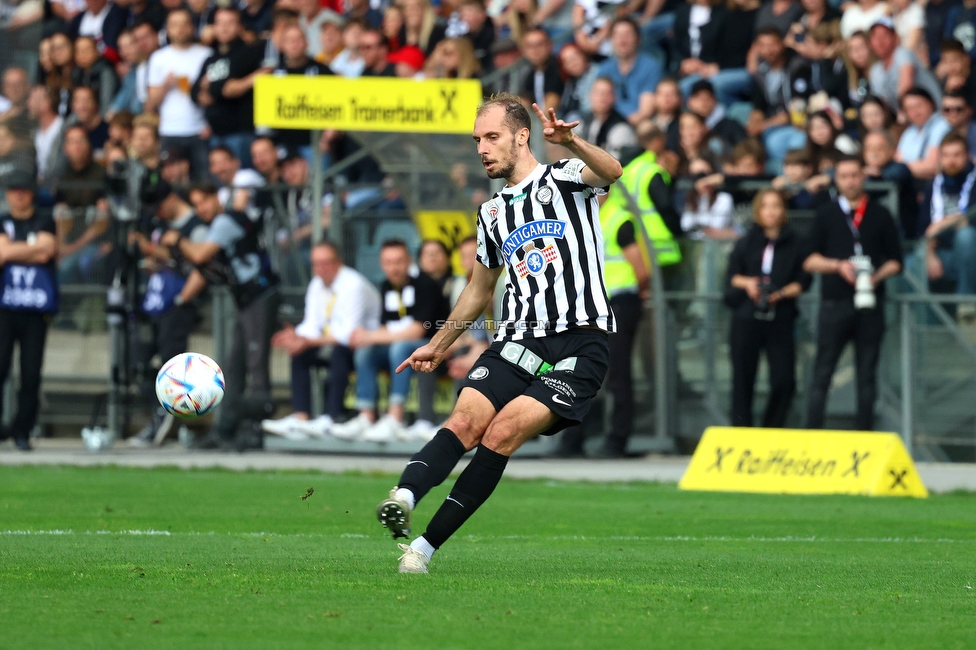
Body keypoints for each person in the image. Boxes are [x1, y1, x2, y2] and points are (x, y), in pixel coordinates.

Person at [375, 96, 621, 573]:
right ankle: (403, 496)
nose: (482, 149)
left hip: (581, 343)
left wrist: (570, 141)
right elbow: (478, 290)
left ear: (521, 135)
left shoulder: (565, 177)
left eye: (491, 138)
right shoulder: (492, 213)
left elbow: (612, 171)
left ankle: (421, 551)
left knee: (503, 432)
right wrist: (438, 343)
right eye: (477, 141)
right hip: (519, 339)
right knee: (465, 420)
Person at [558, 121, 680, 458]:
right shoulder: (583, 219)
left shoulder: (617, 219)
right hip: (591, 307)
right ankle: (576, 441)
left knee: (616, 375)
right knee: (583, 374)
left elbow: (640, 268)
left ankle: (615, 440)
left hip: (618, 304)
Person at [168, 182, 280, 450]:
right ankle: (226, 429)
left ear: (216, 199)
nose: (201, 209)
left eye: (204, 202)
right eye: (196, 206)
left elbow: (199, 255)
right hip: (245, 299)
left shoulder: (225, 221)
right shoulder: (218, 225)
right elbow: (204, 268)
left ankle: (256, 430)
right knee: (234, 365)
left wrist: (177, 240)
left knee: (256, 364)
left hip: (259, 296)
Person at [804, 154, 903, 431]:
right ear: (836, 179)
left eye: (854, 175)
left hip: (870, 304)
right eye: (844, 176)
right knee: (822, 372)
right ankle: (812, 435)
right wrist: (838, 266)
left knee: (867, 375)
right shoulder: (826, 214)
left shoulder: (881, 214)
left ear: (864, 177)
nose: (850, 181)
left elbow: (896, 260)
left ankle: (864, 436)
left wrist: (876, 276)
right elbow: (809, 259)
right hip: (834, 303)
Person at [328, 239, 447, 443]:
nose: (394, 268)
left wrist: (372, 336)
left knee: (399, 348)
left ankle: (395, 417)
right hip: (399, 346)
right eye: (388, 262)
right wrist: (366, 337)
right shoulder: (386, 286)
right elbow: (387, 326)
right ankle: (366, 416)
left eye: (399, 261)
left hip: (431, 346)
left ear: (409, 260)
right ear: (382, 264)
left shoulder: (425, 284)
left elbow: (417, 331)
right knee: (365, 351)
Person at [262, 241, 381, 440]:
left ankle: (331, 418)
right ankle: (301, 417)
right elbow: (311, 324)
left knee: (338, 352)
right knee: (300, 353)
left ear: (339, 262)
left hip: (365, 346)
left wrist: (307, 341)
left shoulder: (354, 285)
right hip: (331, 342)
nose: (321, 269)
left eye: (326, 263)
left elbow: (348, 333)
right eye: (316, 264)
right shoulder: (316, 284)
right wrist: (296, 337)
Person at [127, 180, 210, 447]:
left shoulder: (196, 226)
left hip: (178, 303)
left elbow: (198, 260)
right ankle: (163, 412)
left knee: (171, 365)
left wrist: (154, 249)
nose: (157, 212)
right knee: (137, 362)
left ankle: (165, 418)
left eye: (160, 205)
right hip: (154, 300)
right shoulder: (160, 225)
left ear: (172, 198)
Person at [725, 189, 810, 427]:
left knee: (784, 379)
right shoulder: (746, 242)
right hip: (746, 315)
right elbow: (732, 276)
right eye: (765, 206)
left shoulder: (796, 242)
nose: (771, 212)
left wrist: (779, 294)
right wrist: (750, 284)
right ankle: (741, 430)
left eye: (776, 206)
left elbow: (803, 281)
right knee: (743, 377)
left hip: (780, 315)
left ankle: (772, 428)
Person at [0, 171, 58, 452]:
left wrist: (14, 250)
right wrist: (31, 249)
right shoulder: (2, 220)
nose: (19, 195)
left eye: (24, 189)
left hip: (35, 309)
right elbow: (2, 253)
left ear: (31, 193)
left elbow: (47, 251)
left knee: (31, 372)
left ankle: (22, 430)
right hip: (5, 307)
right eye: (14, 190)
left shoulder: (45, 220)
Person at [145, 9, 214, 180]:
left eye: (184, 24)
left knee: (203, 182)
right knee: (169, 184)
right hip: (169, 130)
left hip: (200, 129)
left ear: (192, 28)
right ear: (167, 30)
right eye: (174, 25)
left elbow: (213, 95)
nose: (180, 29)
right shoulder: (158, 58)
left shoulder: (206, 55)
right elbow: (150, 103)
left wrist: (184, 84)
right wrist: (166, 86)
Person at [914, 134, 976, 319]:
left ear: (967, 156)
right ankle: (926, 325)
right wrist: (930, 254)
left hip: (972, 253)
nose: (951, 160)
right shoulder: (933, 185)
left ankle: (966, 304)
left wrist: (943, 224)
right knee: (913, 261)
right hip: (944, 254)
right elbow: (923, 229)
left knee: (966, 235)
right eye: (946, 155)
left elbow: (971, 220)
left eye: (957, 155)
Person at [192, 6, 256, 168]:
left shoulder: (248, 53)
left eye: (230, 23)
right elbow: (194, 92)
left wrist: (211, 88)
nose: (224, 28)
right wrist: (208, 91)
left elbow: (223, 89)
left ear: (240, 27)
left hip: (240, 133)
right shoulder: (211, 57)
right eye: (219, 23)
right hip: (216, 134)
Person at [51, 125, 109, 285]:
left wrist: (71, 249)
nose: (76, 146)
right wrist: (61, 248)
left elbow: (102, 221)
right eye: (72, 142)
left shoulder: (102, 174)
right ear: (65, 148)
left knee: (72, 267)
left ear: (89, 145)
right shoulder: (63, 178)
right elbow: (60, 216)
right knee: (59, 266)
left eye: (81, 141)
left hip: (95, 242)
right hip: (69, 241)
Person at [746, 26, 808, 173]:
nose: (769, 50)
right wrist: (754, 122)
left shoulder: (798, 67)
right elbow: (758, 105)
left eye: (772, 44)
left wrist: (763, 125)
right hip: (771, 124)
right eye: (763, 46)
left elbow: (797, 108)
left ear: (782, 43)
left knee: (775, 142)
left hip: (796, 124)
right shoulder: (761, 71)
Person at [867, 17, 942, 112]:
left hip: (935, 115)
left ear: (895, 38)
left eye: (885, 35)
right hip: (909, 121)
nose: (880, 41)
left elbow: (906, 88)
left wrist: (901, 116)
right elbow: (882, 104)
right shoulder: (875, 70)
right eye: (875, 37)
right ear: (870, 42)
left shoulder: (903, 53)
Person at [596, 18, 661, 126]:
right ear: (611, 40)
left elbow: (646, 111)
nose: (622, 40)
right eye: (617, 35)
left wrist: (621, 126)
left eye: (627, 34)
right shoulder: (604, 69)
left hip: (638, 124)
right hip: (607, 125)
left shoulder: (651, 67)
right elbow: (597, 105)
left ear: (638, 39)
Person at [862, 129, 917, 239]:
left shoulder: (901, 169)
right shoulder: (862, 173)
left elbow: (891, 178)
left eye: (880, 148)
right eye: (870, 148)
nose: (874, 152)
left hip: (900, 239)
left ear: (891, 151)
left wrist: (874, 175)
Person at [573, 77, 637, 161]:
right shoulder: (583, 122)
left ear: (614, 98)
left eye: (607, 93)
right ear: (590, 96)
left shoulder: (621, 128)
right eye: (598, 93)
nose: (602, 97)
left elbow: (613, 166)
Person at [895, 87, 952, 181]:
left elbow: (933, 165)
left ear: (931, 103)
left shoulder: (941, 125)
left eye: (919, 106)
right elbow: (897, 161)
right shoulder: (909, 132)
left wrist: (903, 168)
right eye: (909, 108)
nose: (915, 112)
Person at [518, 28, 563, 113]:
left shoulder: (559, 68)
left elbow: (552, 102)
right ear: (524, 50)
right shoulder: (528, 74)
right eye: (530, 46)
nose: (535, 50)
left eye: (539, 44)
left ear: (550, 45)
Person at [941, 91, 976, 157]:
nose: (953, 114)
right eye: (947, 110)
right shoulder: (945, 133)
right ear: (942, 113)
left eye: (958, 109)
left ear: (969, 110)